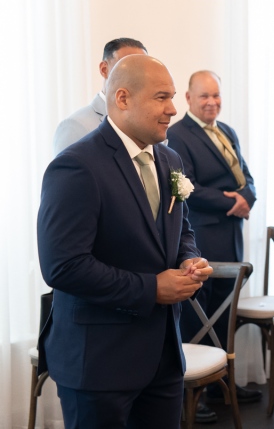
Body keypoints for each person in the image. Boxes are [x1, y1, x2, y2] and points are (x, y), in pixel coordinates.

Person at [37, 54, 213, 428]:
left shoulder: (171, 161)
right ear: (122, 98)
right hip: (99, 362)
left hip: (163, 357)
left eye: (172, 97)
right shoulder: (77, 165)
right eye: (161, 98)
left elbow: (181, 229)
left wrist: (188, 258)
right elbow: (63, 266)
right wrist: (152, 289)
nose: (173, 109)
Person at [165, 70, 260, 422]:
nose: (211, 102)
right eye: (204, 96)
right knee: (198, 315)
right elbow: (186, 187)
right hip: (203, 238)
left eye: (216, 95)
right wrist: (232, 201)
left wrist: (247, 196)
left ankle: (223, 385)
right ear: (189, 98)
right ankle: (195, 394)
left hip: (231, 236)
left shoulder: (227, 131)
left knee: (224, 311)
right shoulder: (177, 135)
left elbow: (246, 176)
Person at [53, 38, 148, 155]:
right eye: (127, 68)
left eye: (142, 70)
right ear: (104, 69)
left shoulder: (147, 122)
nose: (137, 76)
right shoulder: (75, 126)